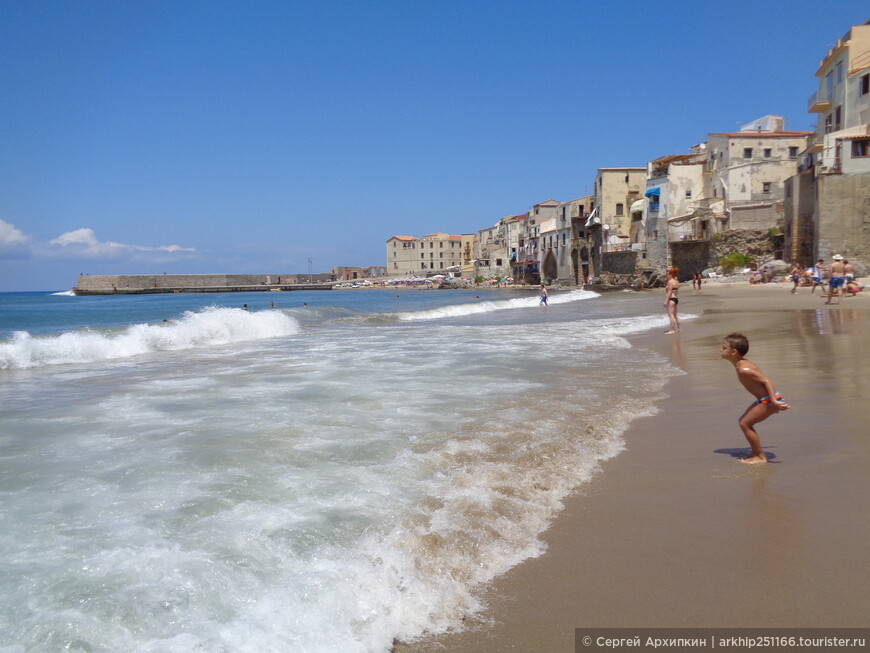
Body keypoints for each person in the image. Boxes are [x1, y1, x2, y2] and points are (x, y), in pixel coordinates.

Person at [720, 333, 789, 464]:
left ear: (733, 352)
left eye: (724, 348)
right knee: (744, 422)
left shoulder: (744, 369)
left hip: (769, 399)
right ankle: (756, 452)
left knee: (745, 424)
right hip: (766, 399)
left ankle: (760, 457)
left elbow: (767, 381)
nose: (720, 350)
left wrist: (774, 401)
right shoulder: (741, 364)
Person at [664, 268, 681, 334]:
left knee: (671, 315)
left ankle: (672, 330)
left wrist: (666, 300)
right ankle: (679, 328)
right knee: (676, 315)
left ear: (671, 275)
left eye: (667, 274)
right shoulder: (676, 281)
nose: (666, 275)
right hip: (676, 299)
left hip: (671, 299)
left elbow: (670, 292)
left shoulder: (670, 282)